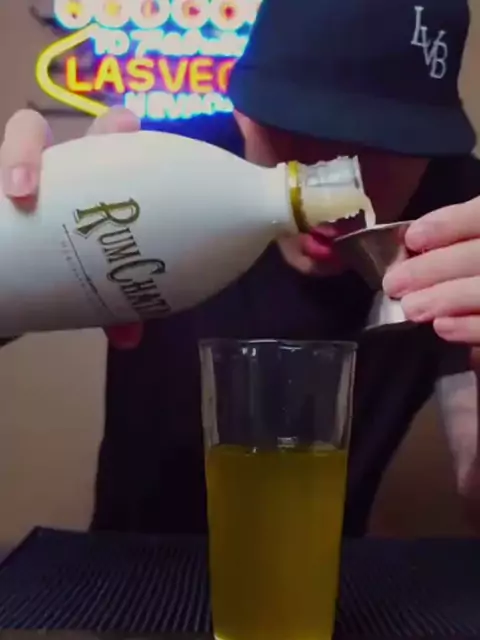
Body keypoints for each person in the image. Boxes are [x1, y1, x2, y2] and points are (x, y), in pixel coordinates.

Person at [1, 0, 480, 535]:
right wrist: (19, 224)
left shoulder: (455, 214)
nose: (341, 185)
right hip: (127, 563)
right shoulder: (160, 171)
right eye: (300, 127)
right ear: (244, 108)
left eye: (387, 143)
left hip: (317, 573)